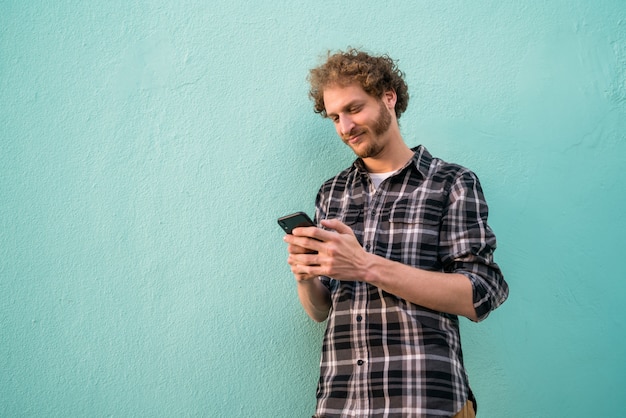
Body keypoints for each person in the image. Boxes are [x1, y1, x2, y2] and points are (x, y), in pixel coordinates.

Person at [283, 48, 509, 418]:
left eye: (354, 109)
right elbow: (320, 311)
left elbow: (480, 294)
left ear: (389, 97)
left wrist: (365, 266)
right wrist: (305, 277)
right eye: (335, 116)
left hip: (425, 402)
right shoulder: (331, 192)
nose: (345, 127)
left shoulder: (451, 182)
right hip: (341, 404)